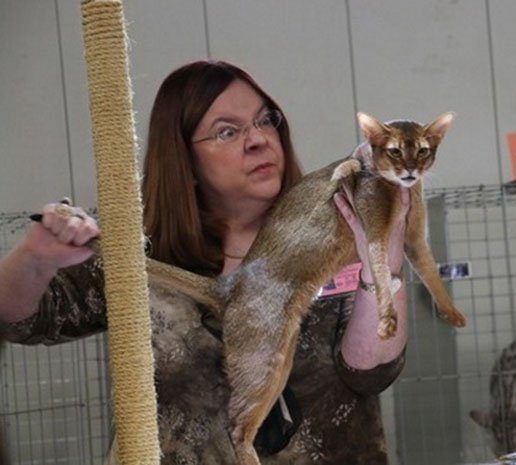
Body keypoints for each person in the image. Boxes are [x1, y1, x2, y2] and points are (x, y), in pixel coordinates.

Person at [0, 60, 410, 464]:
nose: (258, 139)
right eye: (227, 131)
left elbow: (372, 372)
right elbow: (19, 319)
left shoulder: (338, 226)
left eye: (265, 120)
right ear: (185, 161)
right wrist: (36, 255)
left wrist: (385, 265)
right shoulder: (138, 255)